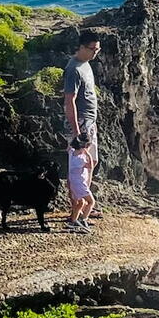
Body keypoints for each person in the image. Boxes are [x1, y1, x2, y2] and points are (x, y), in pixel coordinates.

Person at [60, 37, 101, 219]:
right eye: (92, 49)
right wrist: (77, 132)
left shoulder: (86, 64)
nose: (95, 52)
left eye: (97, 49)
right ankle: (76, 208)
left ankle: (84, 203)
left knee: (92, 161)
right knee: (77, 167)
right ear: (81, 47)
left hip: (89, 121)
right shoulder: (73, 69)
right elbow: (70, 101)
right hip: (81, 123)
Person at [63, 134, 94, 233]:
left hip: (73, 183)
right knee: (91, 202)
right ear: (84, 147)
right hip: (80, 184)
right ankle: (83, 220)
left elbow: (69, 147)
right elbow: (90, 167)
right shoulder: (81, 159)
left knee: (80, 202)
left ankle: (74, 221)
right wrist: (88, 154)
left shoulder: (71, 153)